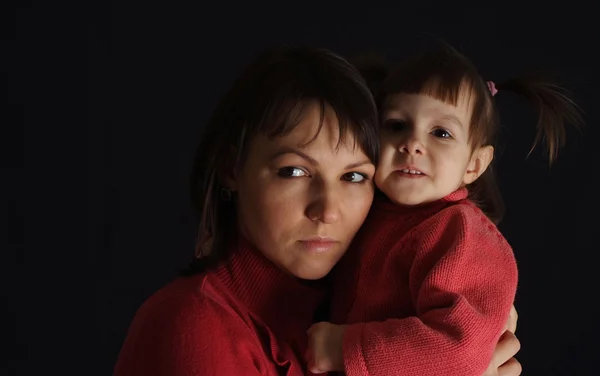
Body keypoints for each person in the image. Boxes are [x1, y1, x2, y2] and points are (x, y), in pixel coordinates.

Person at [113, 45, 522, 376]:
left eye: (354, 177)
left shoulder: (349, 316)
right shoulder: (193, 326)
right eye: (294, 171)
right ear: (231, 168)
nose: (327, 210)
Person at [306, 45, 583, 375]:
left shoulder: (459, 234)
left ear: (474, 165)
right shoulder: (365, 210)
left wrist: (340, 348)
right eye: (396, 125)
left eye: (441, 133)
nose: (412, 143)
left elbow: (461, 347)